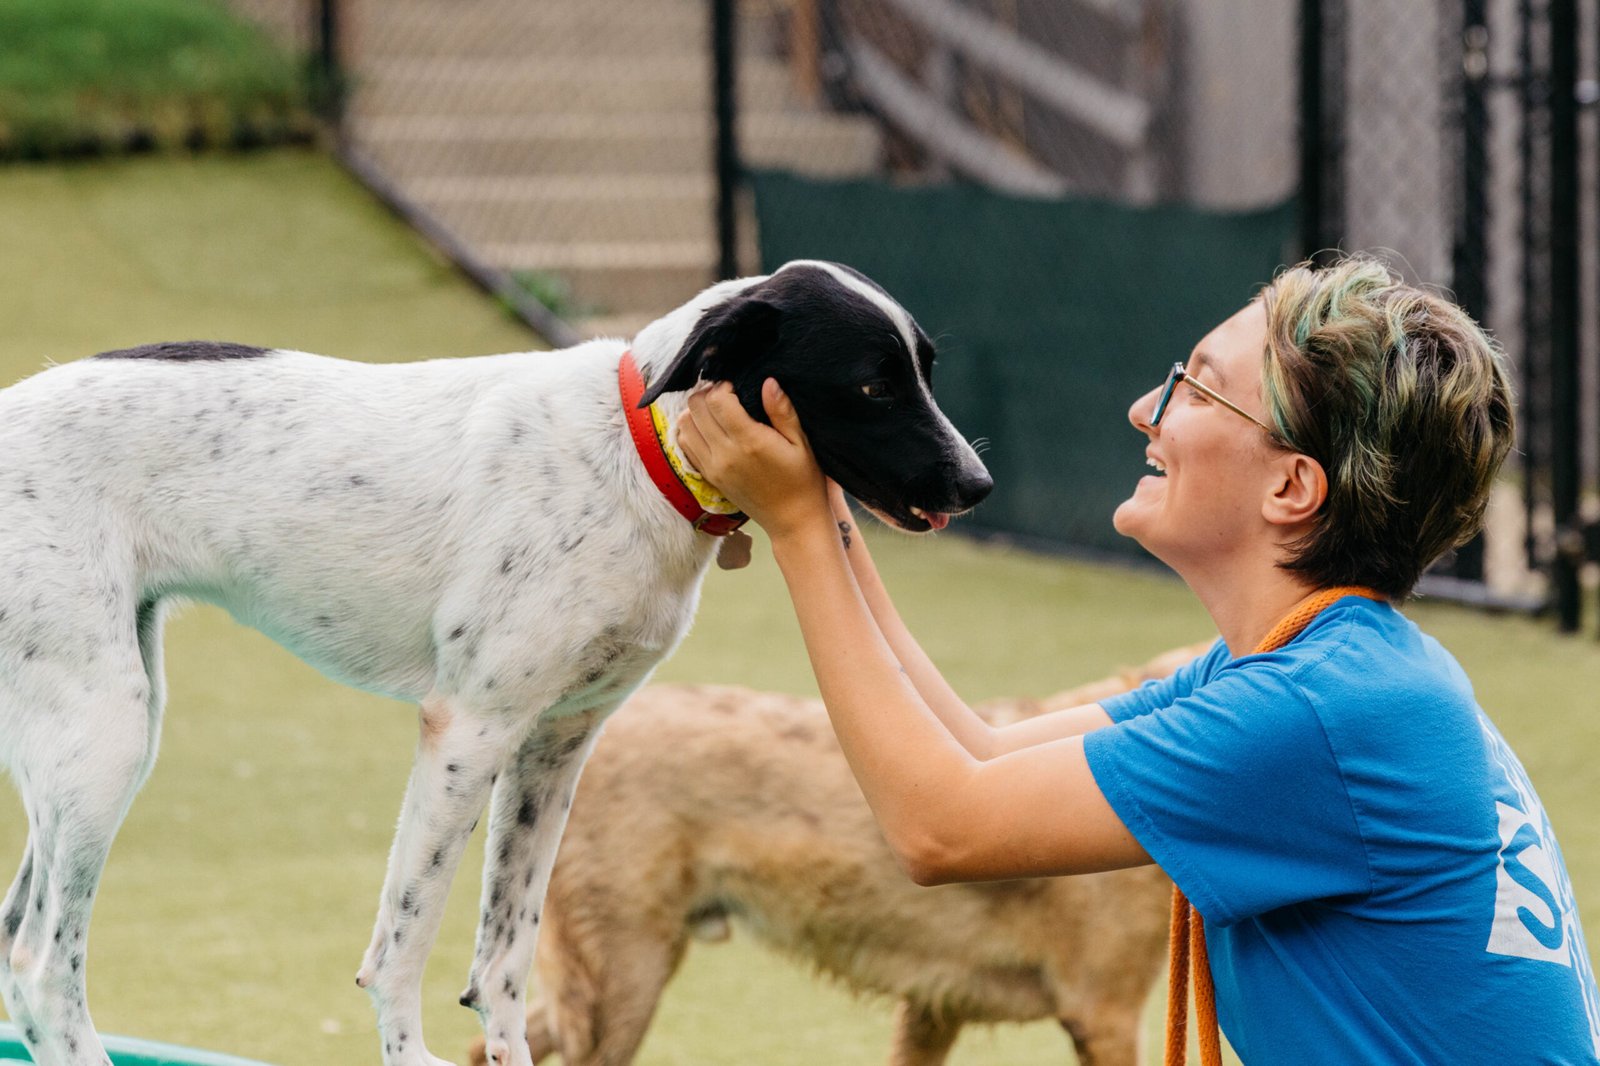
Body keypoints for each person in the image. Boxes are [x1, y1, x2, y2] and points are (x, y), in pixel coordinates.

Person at [676, 254, 1600, 1063]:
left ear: (1292, 486)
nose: (1144, 409)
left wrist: (796, 527)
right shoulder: (1312, 671)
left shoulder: (1318, 712)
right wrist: (826, 498)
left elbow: (938, 827)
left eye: (1197, 389)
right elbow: (979, 756)